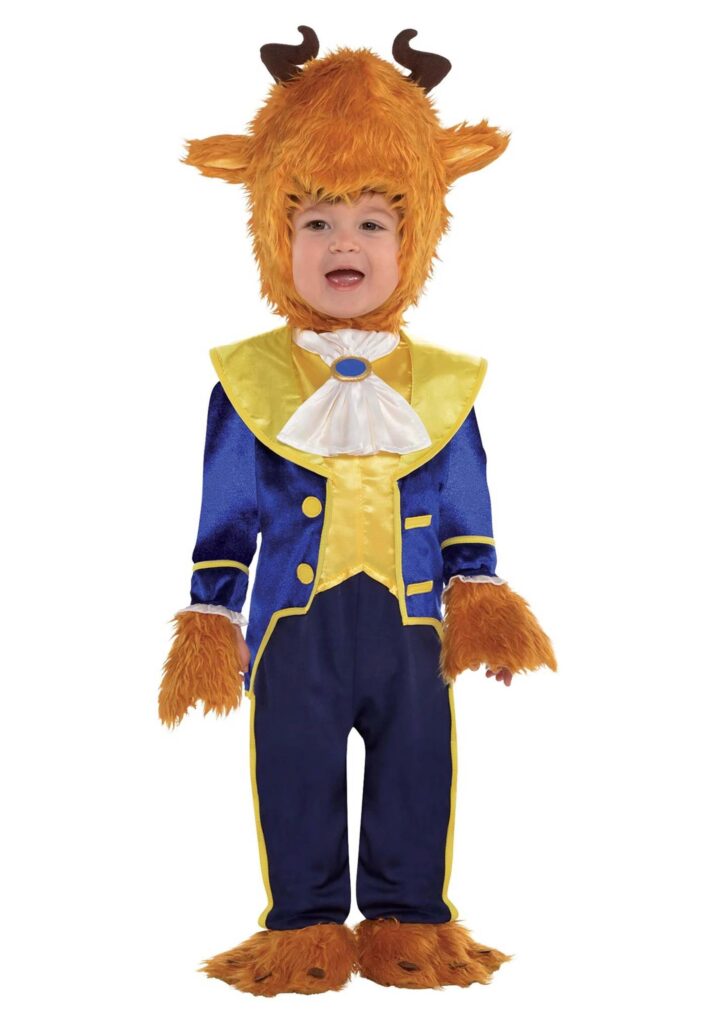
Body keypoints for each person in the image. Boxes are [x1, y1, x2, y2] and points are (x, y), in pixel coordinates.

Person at [159, 28, 556, 997]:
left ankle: (406, 919)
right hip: (293, 629)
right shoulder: (247, 382)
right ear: (274, 234)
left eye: (374, 221)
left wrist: (481, 601)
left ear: (413, 238)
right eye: (316, 220)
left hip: (412, 625)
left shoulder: (445, 386)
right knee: (292, 770)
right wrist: (212, 614)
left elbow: (465, 502)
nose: (345, 242)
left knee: (418, 768)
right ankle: (302, 926)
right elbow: (227, 510)